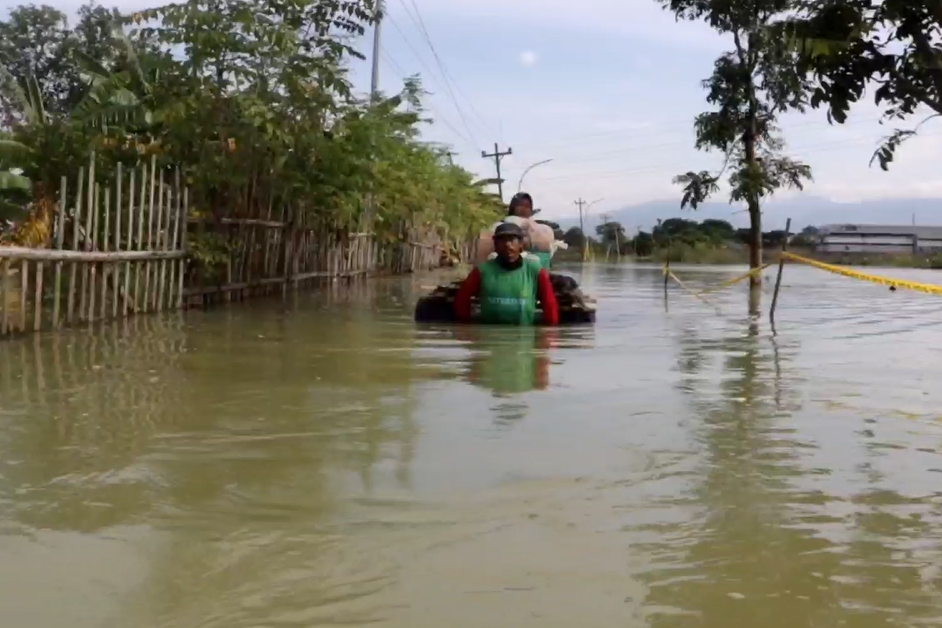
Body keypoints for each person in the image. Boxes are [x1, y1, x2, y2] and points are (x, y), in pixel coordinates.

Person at [455, 222, 559, 325]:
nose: (507, 244)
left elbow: (549, 304)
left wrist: (549, 335)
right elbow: (462, 299)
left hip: (524, 337)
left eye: (512, 240)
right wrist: (466, 330)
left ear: (521, 244)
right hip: (489, 337)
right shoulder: (482, 271)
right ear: (495, 244)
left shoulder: (535, 270)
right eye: (502, 240)